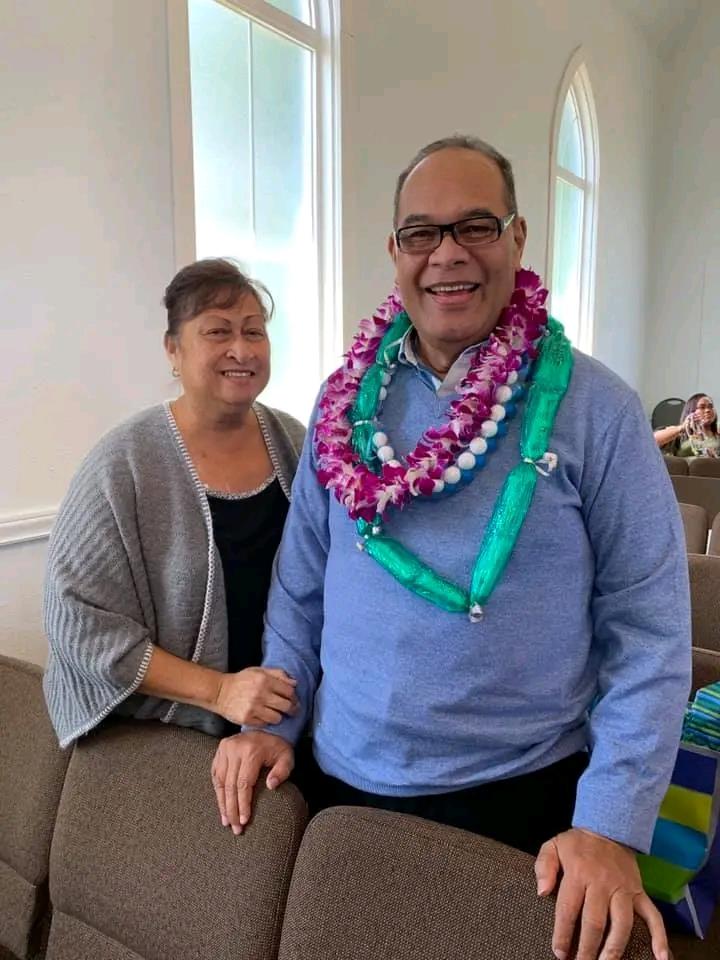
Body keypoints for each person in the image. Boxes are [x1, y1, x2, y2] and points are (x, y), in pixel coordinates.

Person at [213, 137, 691, 960]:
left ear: (518, 237)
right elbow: (302, 593)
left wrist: (609, 822)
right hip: (340, 786)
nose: (449, 256)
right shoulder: (342, 402)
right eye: (422, 234)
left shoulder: (597, 408)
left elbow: (648, 634)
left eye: (475, 226)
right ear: (395, 253)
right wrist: (275, 729)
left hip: (521, 802)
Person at [43, 258, 304, 750]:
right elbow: (77, 622)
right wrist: (220, 691)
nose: (241, 349)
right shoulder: (123, 463)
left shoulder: (294, 441)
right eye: (217, 331)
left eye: (254, 331)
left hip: (280, 725)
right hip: (166, 741)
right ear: (173, 349)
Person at [654, 393, 720, 457]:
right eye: (702, 407)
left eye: (710, 407)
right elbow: (652, 441)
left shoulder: (717, 434)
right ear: (691, 411)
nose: (708, 410)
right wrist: (682, 427)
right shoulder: (678, 432)